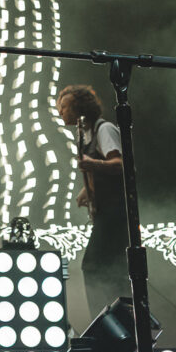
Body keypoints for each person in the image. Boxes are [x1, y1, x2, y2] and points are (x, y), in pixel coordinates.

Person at [56, 84, 128, 321]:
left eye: (64, 106)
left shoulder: (104, 130)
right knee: (109, 268)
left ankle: (106, 320)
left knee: (93, 265)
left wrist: (92, 165)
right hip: (105, 211)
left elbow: (120, 165)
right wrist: (86, 191)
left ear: (79, 107)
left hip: (116, 212)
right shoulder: (84, 135)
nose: (60, 111)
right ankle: (112, 319)